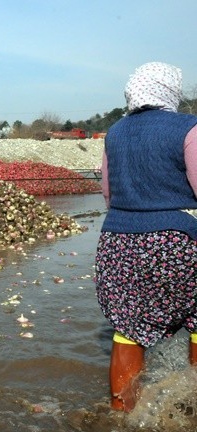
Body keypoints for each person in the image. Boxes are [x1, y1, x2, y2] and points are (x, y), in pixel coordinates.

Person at [95, 61, 197, 412]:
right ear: (173, 91)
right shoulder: (190, 128)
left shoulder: (115, 132)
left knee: (128, 328)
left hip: (118, 243)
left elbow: (108, 194)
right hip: (177, 242)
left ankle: (122, 415)